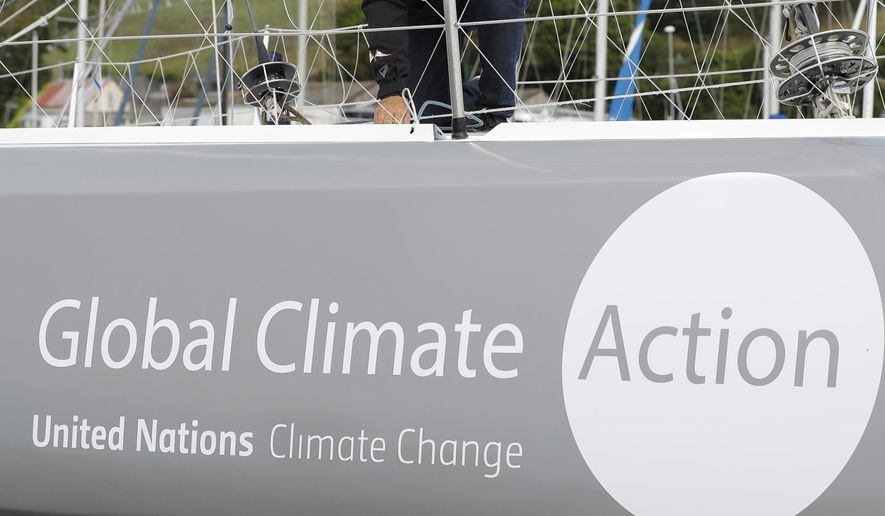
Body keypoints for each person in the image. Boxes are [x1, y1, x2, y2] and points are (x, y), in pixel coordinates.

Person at [362, 0, 527, 129]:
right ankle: (474, 91)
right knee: (420, 117)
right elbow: (382, 5)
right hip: (425, 10)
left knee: (499, 5)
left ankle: (494, 108)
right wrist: (391, 90)